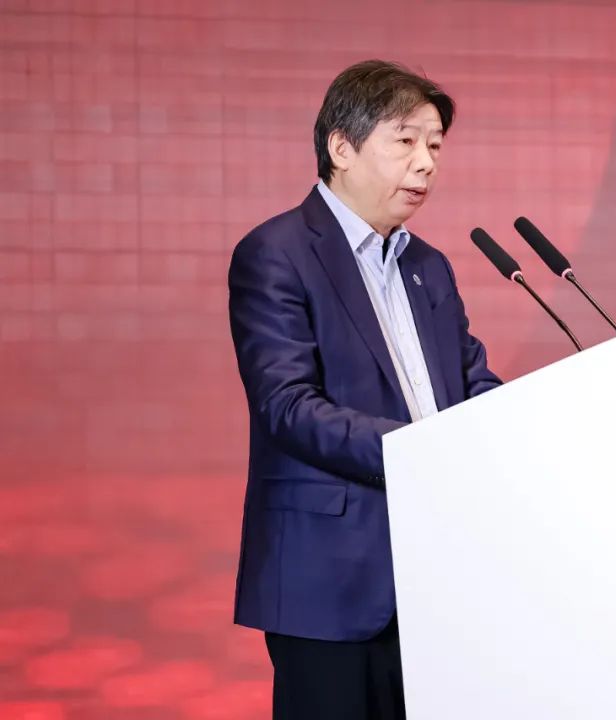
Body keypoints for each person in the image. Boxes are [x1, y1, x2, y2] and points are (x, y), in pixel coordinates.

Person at [227, 60, 501, 720]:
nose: (426, 163)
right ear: (341, 147)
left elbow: (471, 385)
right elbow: (288, 406)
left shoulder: (428, 266)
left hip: (436, 578)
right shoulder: (276, 253)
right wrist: (420, 453)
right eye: (405, 141)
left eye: (435, 145)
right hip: (329, 579)